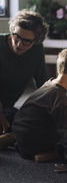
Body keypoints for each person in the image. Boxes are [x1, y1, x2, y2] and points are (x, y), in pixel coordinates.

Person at [12, 48, 67, 170]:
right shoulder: (59, 97)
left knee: (65, 125)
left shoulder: (49, 83)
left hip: (21, 133)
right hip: (32, 144)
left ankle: (14, 141)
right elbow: (66, 128)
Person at [0, 9, 49, 148]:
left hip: (7, 108)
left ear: (36, 41)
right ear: (12, 30)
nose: (19, 44)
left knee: (31, 122)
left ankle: (10, 137)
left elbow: (43, 82)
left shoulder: (37, 49)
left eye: (27, 41)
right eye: (16, 37)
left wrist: (59, 104)